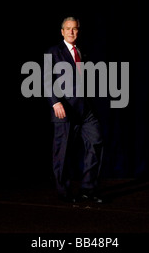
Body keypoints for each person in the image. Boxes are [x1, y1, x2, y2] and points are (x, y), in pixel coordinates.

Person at [44, 17, 104, 203]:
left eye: (75, 29)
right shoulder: (54, 52)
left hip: (85, 110)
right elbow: (46, 79)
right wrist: (55, 103)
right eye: (68, 29)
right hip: (65, 109)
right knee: (62, 152)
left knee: (95, 143)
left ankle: (88, 190)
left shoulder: (81, 52)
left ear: (78, 31)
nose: (71, 32)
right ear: (62, 31)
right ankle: (64, 193)